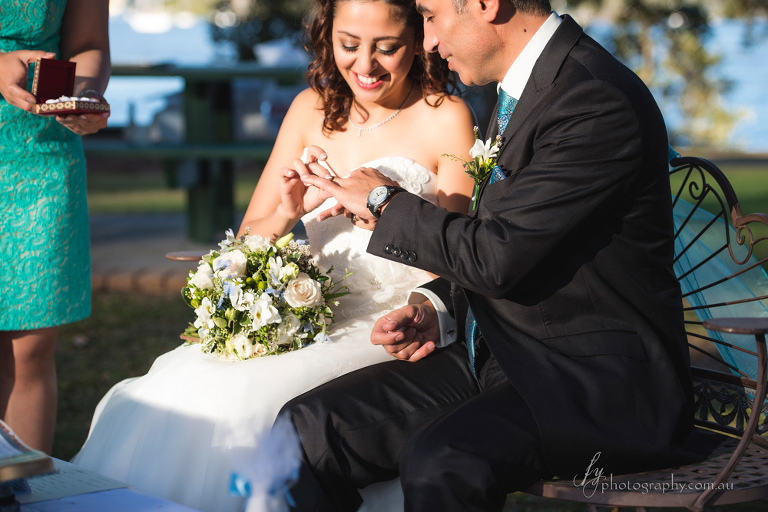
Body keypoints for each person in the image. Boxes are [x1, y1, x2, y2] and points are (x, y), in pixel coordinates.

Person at [280, 0, 719, 510]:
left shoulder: (594, 98)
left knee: (441, 461)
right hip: (502, 354)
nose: (428, 42)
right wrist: (436, 308)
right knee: (305, 432)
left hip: (593, 382)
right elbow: (519, 242)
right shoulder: (528, 88)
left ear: (486, 5)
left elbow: (498, 254)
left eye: (431, 15)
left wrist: (383, 200)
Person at [71, 0, 475, 510]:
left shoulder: (447, 117)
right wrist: (287, 211)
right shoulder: (310, 109)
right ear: (328, 38)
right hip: (311, 317)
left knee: (249, 404)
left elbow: (455, 254)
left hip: (390, 324)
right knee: (165, 393)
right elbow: (247, 239)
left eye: (387, 47)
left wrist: (390, 222)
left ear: (418, 40)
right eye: (349, 45)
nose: (365, 65)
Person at [0, 0, 110, 454]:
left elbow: (88, 44)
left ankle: (21, 487)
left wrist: (83, 95)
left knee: (29, 349)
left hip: (40, 153)